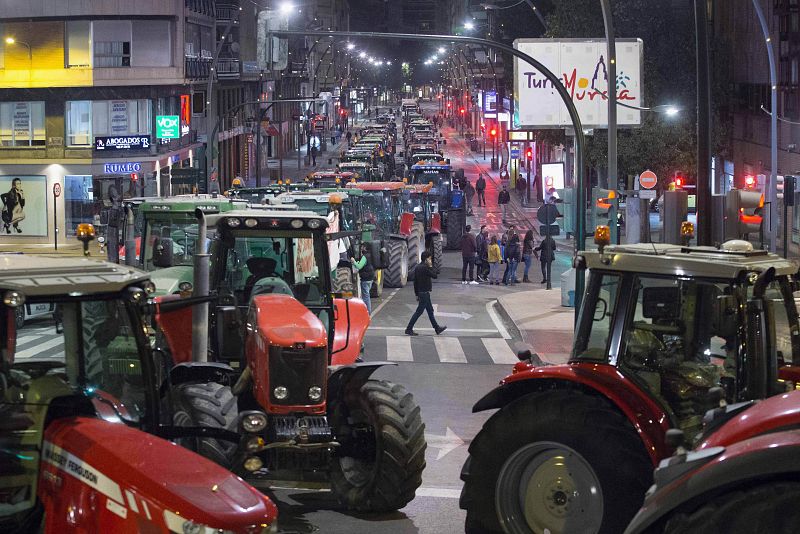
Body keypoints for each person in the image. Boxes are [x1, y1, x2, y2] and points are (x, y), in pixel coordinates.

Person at [405, 251, 447, 336]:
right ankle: (409, 328)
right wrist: (431, 266)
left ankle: (437, 328)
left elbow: (415, 282)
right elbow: (435, 275)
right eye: (430, 259)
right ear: (426, 259)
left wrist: (416, 294)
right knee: (419, 312)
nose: (430, 260)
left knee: (430, 311)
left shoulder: (417, 267)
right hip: (425, 294)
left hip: (422, 293)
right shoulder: (425, 268)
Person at [352, 243, 375, 314]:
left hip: (365, 278)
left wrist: (354, 261)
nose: (361, 248)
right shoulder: (371, 255)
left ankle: (367, 312)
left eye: (362, 247)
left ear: (365, 248)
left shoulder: (365, 257)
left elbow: (359, 266)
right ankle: (367, 311)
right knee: (367, 294)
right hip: (371, 277)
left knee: (366, 296)